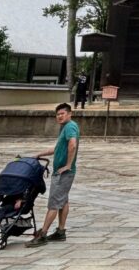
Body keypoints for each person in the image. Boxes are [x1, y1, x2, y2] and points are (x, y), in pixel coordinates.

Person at [28, 103, 80, 246]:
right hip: (63, 171)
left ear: (70, 114)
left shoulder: (70, 127)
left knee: (54, 203)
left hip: (64, 172)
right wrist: (39, 154)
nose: (59, 116)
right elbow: (58, 148)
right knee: (63, 201)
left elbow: (73, 144)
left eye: (62, 113)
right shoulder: (65, 127)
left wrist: (68, 165)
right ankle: (60, 231)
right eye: (57, 114)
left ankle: (43, 234)